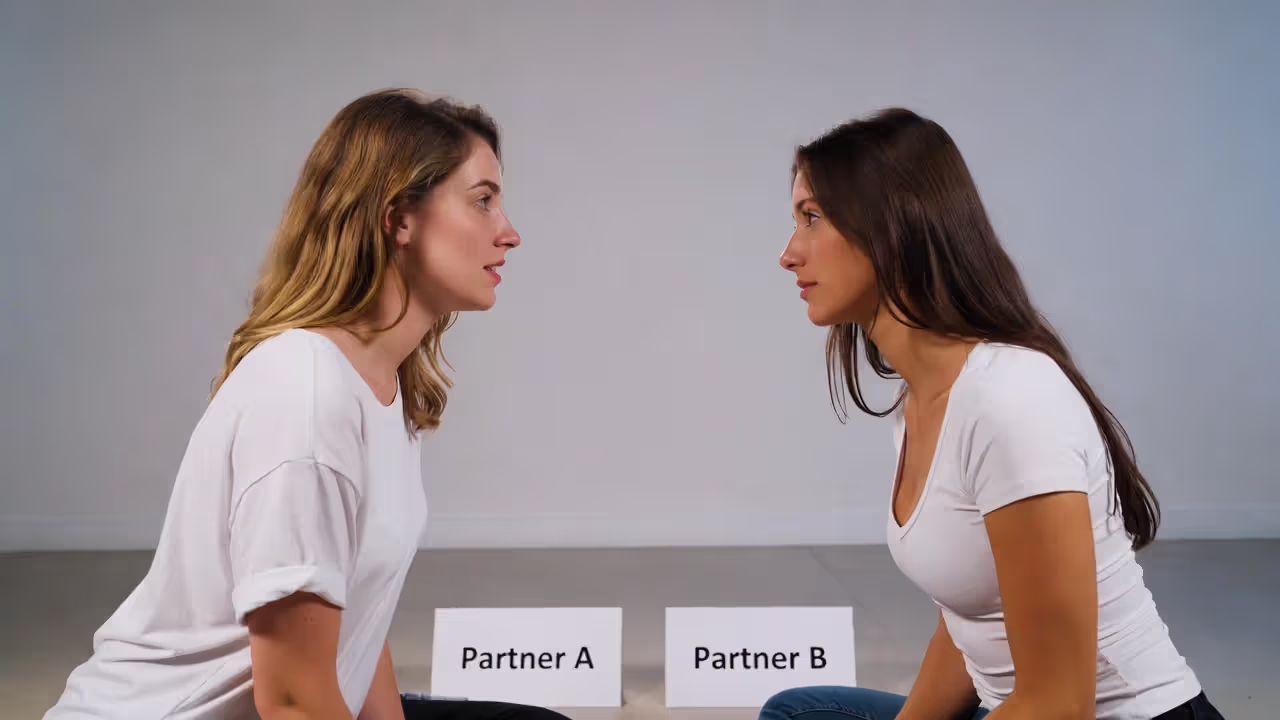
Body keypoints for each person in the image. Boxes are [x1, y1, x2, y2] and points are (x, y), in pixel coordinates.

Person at [43, 89, 565, 720]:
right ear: (398, 218)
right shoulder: (307, 396)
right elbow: (293, 702)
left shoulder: (379, 381)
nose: (509, 233)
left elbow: (352, 619)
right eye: (482, 201)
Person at [763, 109, 1223, 720]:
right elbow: (969, 621)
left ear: (890, 227)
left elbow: (1059, 705)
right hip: (1018, 708)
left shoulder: (1010, 401)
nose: (788, 254)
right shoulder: (921, 401)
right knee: (798, 711)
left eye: (812, 218)